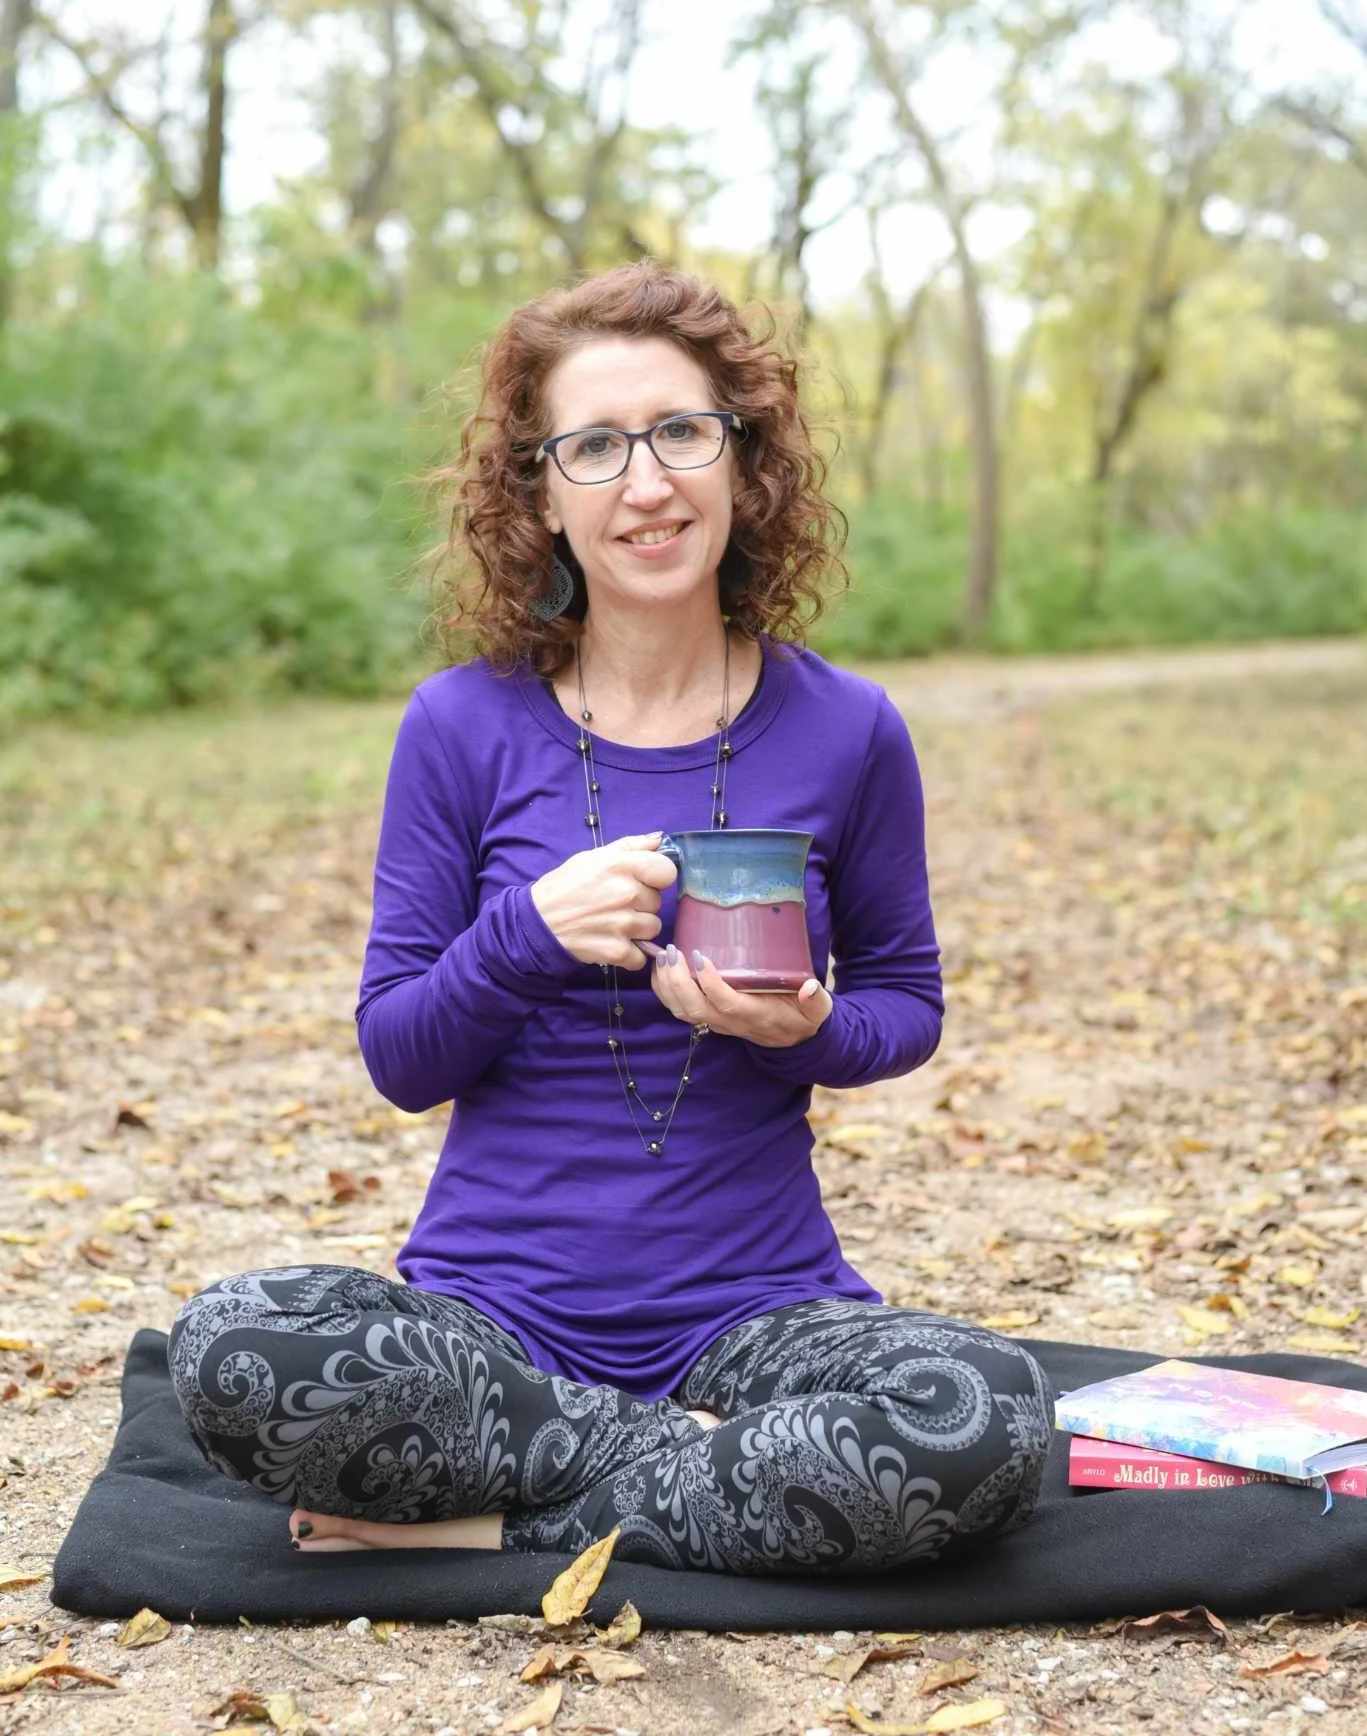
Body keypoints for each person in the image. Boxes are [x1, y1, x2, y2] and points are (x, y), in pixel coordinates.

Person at [169, 262, 1052, 1575]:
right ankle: (706, 1472)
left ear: (740, 462)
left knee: (986, 1417)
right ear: (538, 489)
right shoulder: (458, 725)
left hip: (761, 1315)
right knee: (236, 1346)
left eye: (680, 432)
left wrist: (803, 1028)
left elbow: (907, 1007)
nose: (646, 483)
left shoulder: (848, 728)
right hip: (492, 1320)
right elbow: (398, 1057)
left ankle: (499, 1519)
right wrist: (521, 938)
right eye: (594, 446)